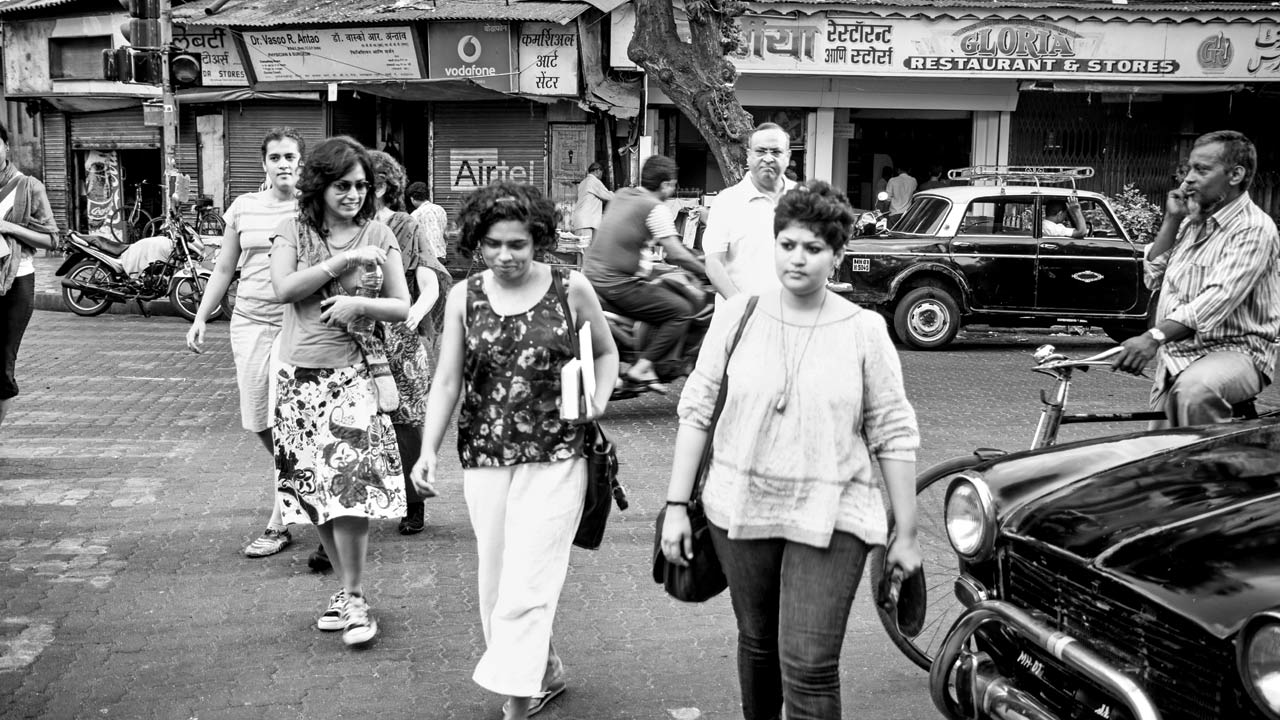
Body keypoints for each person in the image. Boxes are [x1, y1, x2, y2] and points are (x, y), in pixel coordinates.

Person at [660, 180, 921, 720]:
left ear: (837, 255)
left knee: (809, 664)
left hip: (834, 516)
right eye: (788, 244)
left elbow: (893, 432)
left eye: (814, 248)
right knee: (758, 641)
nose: (797, 259)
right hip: (739, 509)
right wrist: (675, 507)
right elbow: (697, 410)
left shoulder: (865, 330)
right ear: (774, 243)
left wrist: (908, 534)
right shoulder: (737, 316)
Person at [409, 181, 618, 720]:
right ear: (478, 242)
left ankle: (519, 700)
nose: (505, 256)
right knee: (496, 579)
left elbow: (606, 351)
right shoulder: (464, 296)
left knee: (529, 579)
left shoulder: (571, 288)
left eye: (518, 245)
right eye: (494, 244)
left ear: (539, 241)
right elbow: (448, 380)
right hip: (484, 457)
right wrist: (427, 449)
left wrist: (597, 398)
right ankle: (542, 670)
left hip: (559, 453)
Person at [269, 136, 411, 647]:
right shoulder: (292, 230)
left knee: (347, 487)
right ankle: (344, 590)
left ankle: (354, 597)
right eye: (342, 185)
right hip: (296, 377)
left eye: (361, 186)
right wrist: (342, 264)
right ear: (320, 186)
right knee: (313, 491)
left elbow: (402, 304)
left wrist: (361, 308)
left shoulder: (379, 231)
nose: (354, 194)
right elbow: (283, 289)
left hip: (351, 377)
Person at [186, 127, 304, 558]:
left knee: (287, 417)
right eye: (275, 158)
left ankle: (280, 519)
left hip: (298, 325)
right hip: (250, 323)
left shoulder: (313, 208)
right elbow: (223, 270)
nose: (284, 164)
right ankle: (300, 474)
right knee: (258, 421)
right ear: (264, 164)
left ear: (301, 162)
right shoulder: (245, 207)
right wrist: (201, 317)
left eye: (290, 156)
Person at [1111, 130, 1280, 427]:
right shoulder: (1193, 222)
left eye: (1201, 170)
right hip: (1177, 357)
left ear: (1235, 175)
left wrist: (1153, 337)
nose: (1188, 179)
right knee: (1157, 457)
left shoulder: (1254, 228)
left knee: (1195, 392)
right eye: (1188, 169)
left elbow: (1217, 299)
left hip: (1236, 352)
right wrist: (1172, 219)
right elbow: (1154, 274)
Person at [368, 150, 450, 536]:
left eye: (365, 183)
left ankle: (413, 503)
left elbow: (429, 281)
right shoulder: (339, 226)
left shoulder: (405, 226)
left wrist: (417, 310)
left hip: (400, 338)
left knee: (405, 424)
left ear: (384, 186)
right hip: (353, 336)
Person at [583, 155, 705, 390]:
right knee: (681, 310)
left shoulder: (622, 195)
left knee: (660, 288)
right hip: (617, 284)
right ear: (666, 185)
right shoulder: (655, 208)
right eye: (672, 184)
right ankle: (644, 366)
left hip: (593, 276)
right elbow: (675, 254)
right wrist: (707, 269)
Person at [0, 120, 59, 429]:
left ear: (6, 147)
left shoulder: (28, 186)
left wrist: (9, 227)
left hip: (17, 280)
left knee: (2, 363)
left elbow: (52, 239)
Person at [705, 122, 797, 299]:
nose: (768, 158)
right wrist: (742, 308)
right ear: (748, 156)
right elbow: (714, 264)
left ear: (787, 156)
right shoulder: (727, 202)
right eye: (761, 151)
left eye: (776, 152)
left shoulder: (804, 198)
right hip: (740, 319)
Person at [570, 162, 613, 247]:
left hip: (582, 221)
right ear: (597, 171)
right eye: (601, 172)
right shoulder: (594, 181)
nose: (602, 175)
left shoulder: (583, 182)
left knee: (582, 251)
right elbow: (609, 196)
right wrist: (622, 195)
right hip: (586, 221)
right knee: (585, 251)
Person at [406, 181, 449, 261]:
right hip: (441, 255)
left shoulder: (414, 216)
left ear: (412, 198)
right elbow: (445, 234)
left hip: (425, 258)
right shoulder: (440, 209)